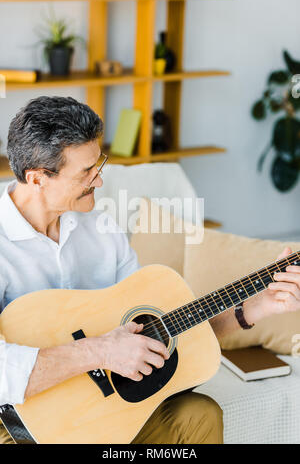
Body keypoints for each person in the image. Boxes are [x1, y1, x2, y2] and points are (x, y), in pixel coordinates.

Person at [1, 96, 300, 445]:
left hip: (104, 411)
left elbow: (165, 328)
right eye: (86, 172)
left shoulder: (101, 229)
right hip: (20, 426)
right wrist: (98, 351)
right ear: (37, 179)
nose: (99, 181)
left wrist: (256, 308)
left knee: (199, 415)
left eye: (100, 164)